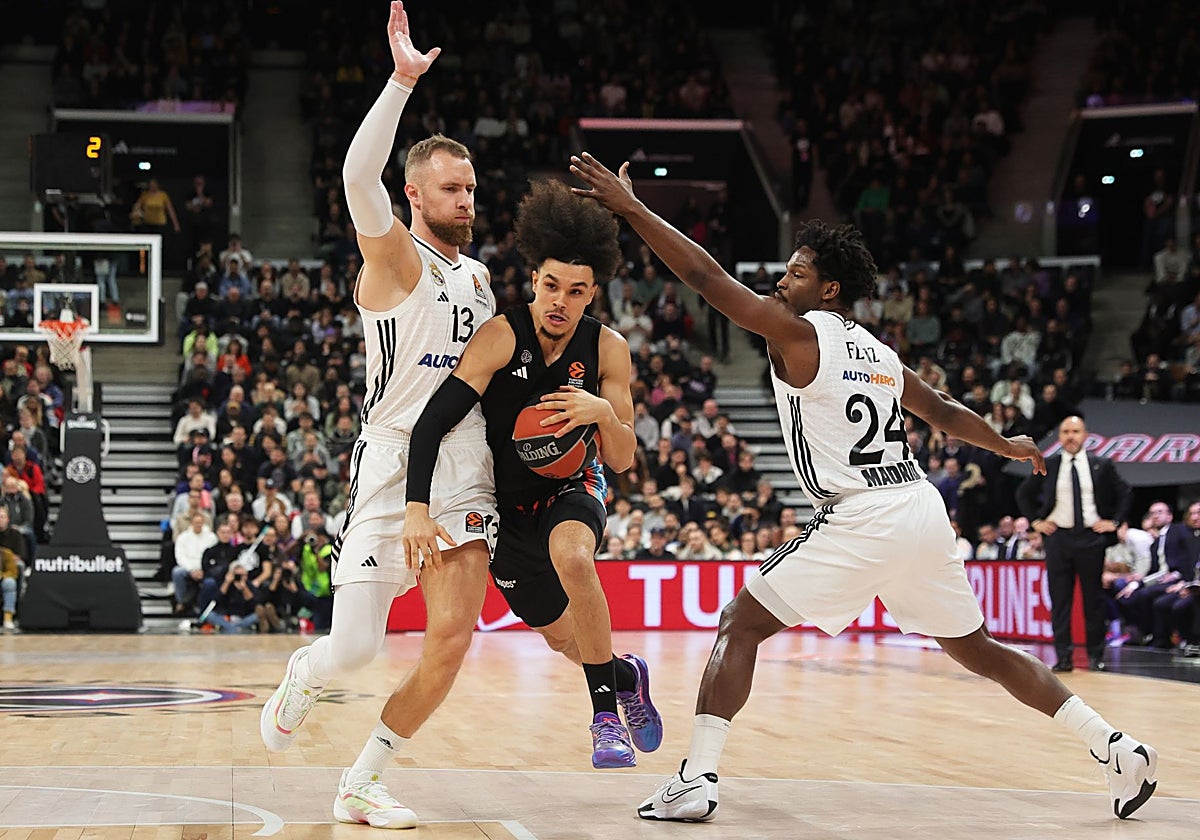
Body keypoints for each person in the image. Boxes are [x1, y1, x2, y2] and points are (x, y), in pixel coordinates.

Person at [568, 152, 1158, 823]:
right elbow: (941, 409)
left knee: (740, 623)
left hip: (862, 512)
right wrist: (1005, 443)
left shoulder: (798, 334)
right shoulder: (878, 352)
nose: (781, 280)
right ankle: (1115, 745)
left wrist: (633, 208)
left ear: (828, 290)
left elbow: (707, 278)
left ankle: (695, 779)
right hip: (920, 507)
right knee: (980, 650)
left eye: (796, 273)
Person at [259, 4, 498, 829]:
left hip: (465, 466)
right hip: (392, 459)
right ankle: (307, 671)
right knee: (357, 647)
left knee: (451, 641)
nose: (466, 199)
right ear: (415, 194)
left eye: (472, 187)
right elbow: (357, 181)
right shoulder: (396, 259)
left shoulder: (481, 279)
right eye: (452, 187)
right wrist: (399, 82)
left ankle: (361, 781)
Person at [402, 177, 662, 770]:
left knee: (574, 557)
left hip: (573, 487)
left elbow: (623, 458)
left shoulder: (608, 349)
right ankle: (624, 675)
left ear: (592, 294)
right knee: (564, 638)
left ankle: (605, 721)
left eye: (576, 291)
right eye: (550, 285)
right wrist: (416, 505)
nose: (560, 301)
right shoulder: (500, 336)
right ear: (534, 280)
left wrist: (603, 415)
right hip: (506, 507)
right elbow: (432, 422)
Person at [1016, 416, 1132, 671]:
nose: (1070, 436)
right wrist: (1036, 521)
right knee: (1060, 600)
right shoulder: (1049, 464)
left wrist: (1114, 521)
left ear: (1085, 435)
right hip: (1059, 538)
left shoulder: (1101, 465)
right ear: (1059, 436)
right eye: (1066, 431)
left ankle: (1096, 655)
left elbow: (1125, 492)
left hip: (1091, 538)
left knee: (1094, 600)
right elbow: (1023, 493)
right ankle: (1064, 657)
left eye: (1075, 431)